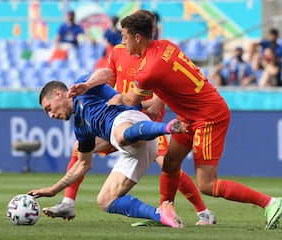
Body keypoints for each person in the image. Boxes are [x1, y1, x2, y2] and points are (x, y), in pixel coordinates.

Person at [69, 12, 282, 230]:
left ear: (138, 38)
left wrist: (115, 98)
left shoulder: (148, 70)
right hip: (191, 113)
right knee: (171, 163)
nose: (122, 42)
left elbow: (131, 100)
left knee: (207, 184)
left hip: (208, 115)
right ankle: (166, 210)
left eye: (125, 37)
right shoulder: (165, 46)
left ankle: (270, 203)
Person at [44, 9, 216, 227]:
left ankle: (202, 212)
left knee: (168, 164)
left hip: (144, 118)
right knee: (81, 148)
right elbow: (108, 79)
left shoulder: (156, 56)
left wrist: (159, 102)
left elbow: (172, 81)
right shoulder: (118, 52)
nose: (125, 40)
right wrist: (104, 96)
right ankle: (68, 201)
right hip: (118, 116)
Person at [27, 69, 187, 228]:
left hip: (130, 120)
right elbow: (83, 164)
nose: (51, 115)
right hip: (136, 149)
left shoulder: (81, 87)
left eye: (49, 108)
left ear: (58, 94)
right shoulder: (80, 128)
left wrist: (87, 84)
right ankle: (161, 214)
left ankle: (167, 128)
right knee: (105, 200)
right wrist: (54, 189)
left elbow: (105, 73)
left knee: (119, 135)